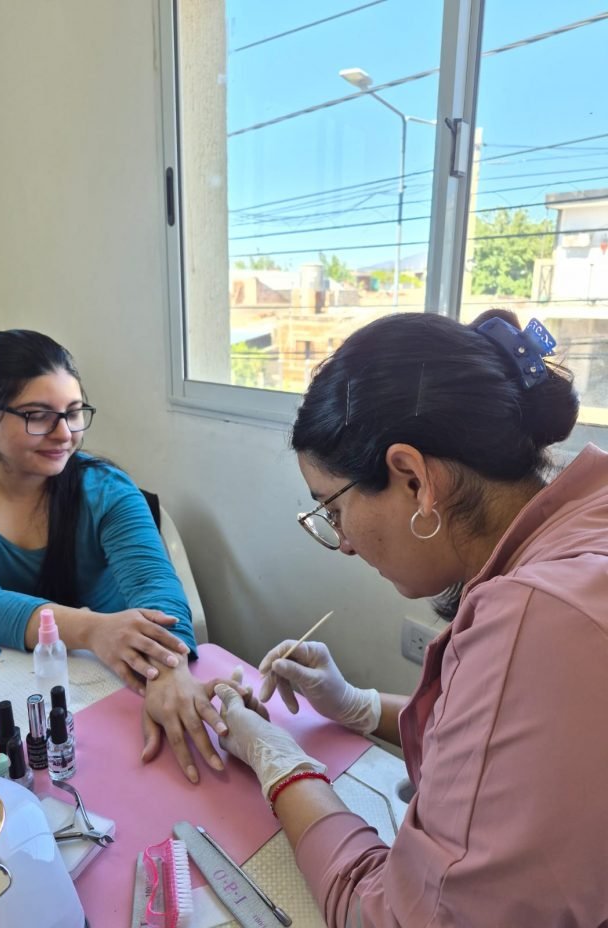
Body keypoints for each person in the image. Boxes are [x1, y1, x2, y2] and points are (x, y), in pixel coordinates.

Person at [214, 309, 608, 926]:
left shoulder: (543, 618)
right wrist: (355, 704)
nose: (342, 542)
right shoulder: (584, 524)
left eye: (333, 509)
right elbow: (500, 747)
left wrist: (277, 759)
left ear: (414, 479)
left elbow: (394, 918)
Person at [0, 329, 228, 782]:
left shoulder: (106, 489)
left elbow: (157, 590)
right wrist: (93, 628)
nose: (64, 434)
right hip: (10, 701)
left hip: (110, 682)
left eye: (74, 413)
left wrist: (167, 669)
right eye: (38, 416)